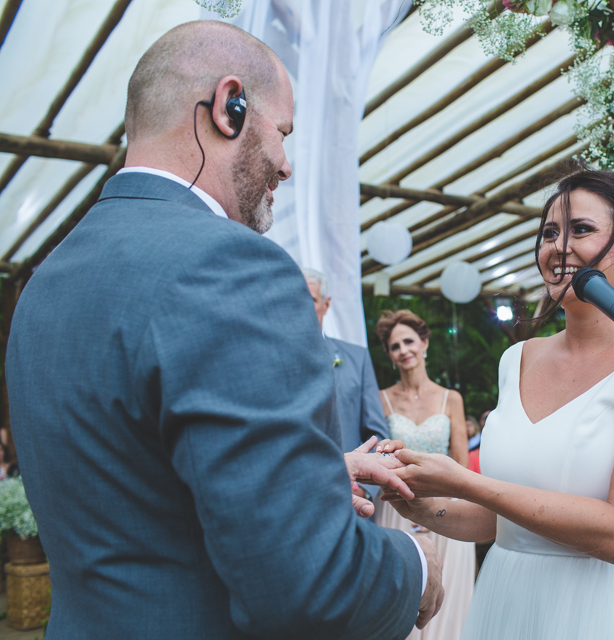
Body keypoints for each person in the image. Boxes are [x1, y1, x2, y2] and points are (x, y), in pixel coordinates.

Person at [4, 21, 443, 639]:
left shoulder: (44, 283)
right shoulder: (233, 265)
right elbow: (312, 588)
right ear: (228, 107)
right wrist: (415, 567)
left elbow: (132, 480)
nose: (287, 167)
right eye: (283, 134)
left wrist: (310, 478)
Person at [379, 170, 614, 639]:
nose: (559, 247)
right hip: (508, 602)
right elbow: (504, 520)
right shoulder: (517, 359)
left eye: (581, 230)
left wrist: (467, 482)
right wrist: (421, 502)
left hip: (609, 612)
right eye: (549, 233)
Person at [375, 309, 475, 640]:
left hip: (445, 504)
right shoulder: (381, 400)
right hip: (395, 506)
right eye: (394, 346)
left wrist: (437, 507)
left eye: (408, 341)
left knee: (448, 606)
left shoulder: (451, 399)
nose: (403, 350)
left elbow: (460, 462)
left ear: (424, 343)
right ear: (389, 355)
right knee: (400, 602)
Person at [302, 268, 390, 451]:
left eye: (311, 299)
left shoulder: (357, 359)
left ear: (326, 304)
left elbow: (376, 435)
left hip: (347, 478)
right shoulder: (272, 358)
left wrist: (363, 479)